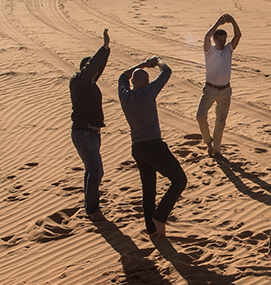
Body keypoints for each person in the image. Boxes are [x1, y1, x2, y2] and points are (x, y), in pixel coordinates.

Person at [118, 56, 186, 236]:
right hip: (153, 147)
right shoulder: (148, 93)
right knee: (179, 180)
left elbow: (123, 76)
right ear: (147, 82)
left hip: (137, 149)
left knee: (148, 189)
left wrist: (142, 65)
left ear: (132, 82)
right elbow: (167, 72)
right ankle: (160, 217)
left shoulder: (125, 95)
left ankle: (152, 229)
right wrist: (157, 61)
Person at [68, 28, 111, 219]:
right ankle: (93, 210)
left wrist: (107, 50)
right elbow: (92, 68)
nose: (95, 74)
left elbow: (97, 68)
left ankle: (90, 207)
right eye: (90, 71)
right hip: (83, 133)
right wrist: (102, 48)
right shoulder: (78, 82)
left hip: (93, 134)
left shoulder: (91, 84)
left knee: (91, 170)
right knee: (96, 170)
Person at [197, 12, 241, 157]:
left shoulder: (229, 49)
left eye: (224, 40)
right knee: (200, 115)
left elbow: (238, 36)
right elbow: (206, 37)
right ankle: (208, 141)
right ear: (215, 40)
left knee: (220, 121)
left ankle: (216, 149)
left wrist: (233, 21)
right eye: (220, 40)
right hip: (210, 89)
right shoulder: (209, 50)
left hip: (225, 91)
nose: (222, 42)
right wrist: (218, 23)